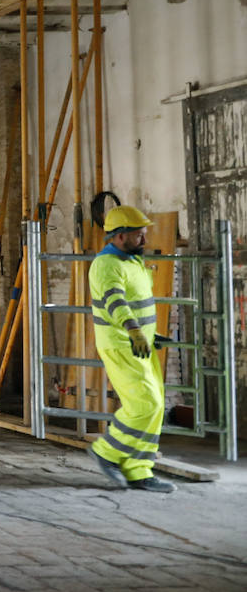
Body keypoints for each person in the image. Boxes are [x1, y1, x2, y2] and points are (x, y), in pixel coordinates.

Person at [86, 205, 175, 493]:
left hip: (140, 343)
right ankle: (107, 452)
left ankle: (139, 471)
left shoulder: (132, 261)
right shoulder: (106, 265)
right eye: (139, 235)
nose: (145, 240)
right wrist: (135, 331)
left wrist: (151, 333)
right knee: (144, 404)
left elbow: (138, 303)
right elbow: (116, 302)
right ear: (120, 236)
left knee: (156, 406)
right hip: (122, 343)